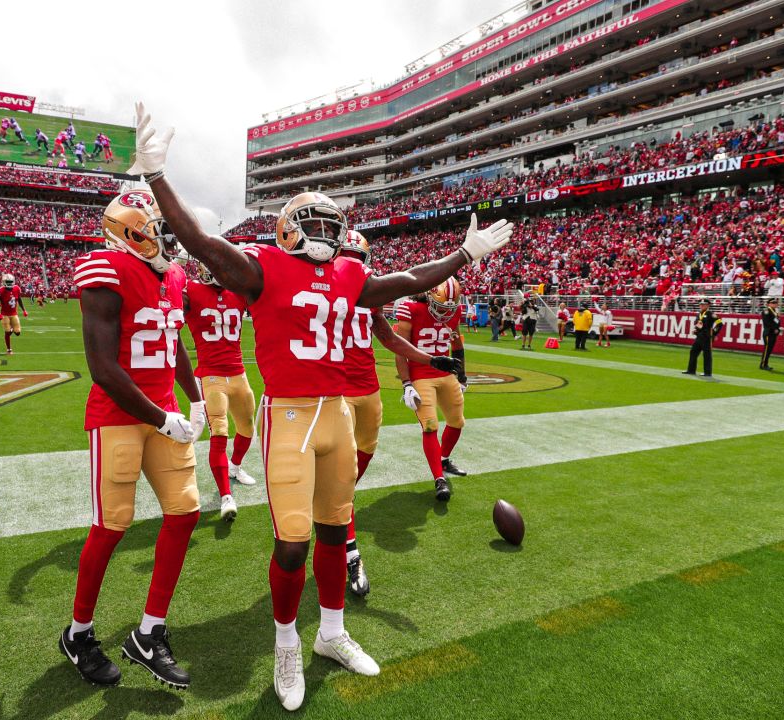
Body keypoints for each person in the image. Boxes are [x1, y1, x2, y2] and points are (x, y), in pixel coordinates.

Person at [131, 101, 514, 712]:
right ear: (287, 225)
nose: (327, 232)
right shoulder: (262, 268)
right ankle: (286, 643)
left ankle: (332, 633)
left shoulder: (350, 274)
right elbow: (201, 242)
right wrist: (156, 175)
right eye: (314, 221)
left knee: (337, 532)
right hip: (289, 415)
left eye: (332, 223)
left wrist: (465, 255)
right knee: (293, 541)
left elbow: (409, 280)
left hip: (337, 411)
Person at [59, 190, 207, 690]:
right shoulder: (105, 269)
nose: (170, 239)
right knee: (112, 525)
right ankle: (78, 634)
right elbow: (103, 368)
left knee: (185, 513)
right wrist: (163, 418)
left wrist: (196, 396)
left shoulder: (175, 276)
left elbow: (173, 340)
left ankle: (149, 633)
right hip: (119, 415)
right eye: (159, 229)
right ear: (131, 232)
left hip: (162, 410)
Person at [338, 230, 460, 597]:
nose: (354, 266)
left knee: (359, 461)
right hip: (336, 391)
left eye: (358, 259)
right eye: (347, 256)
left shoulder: (369, 297)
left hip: (368, 389)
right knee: (342, 482)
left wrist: (430, 359)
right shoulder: (319, 292)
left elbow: (389, 338)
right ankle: (349, 549)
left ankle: (334, 506)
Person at [182, 259, 257, 522]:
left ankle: (235, 466)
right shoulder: (190, 290)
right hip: (211, 376)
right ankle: (226, 496)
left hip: (238, 374)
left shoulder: (238, 292)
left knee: (248, 427)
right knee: (220, 432)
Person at [395, 279, 471, 502]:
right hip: (421, 375)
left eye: (449, 308)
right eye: (440, 307)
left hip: (445, 374)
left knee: (457, 421)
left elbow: (456, 345)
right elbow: (400, 350)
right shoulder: (411, 309)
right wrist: (407, 383)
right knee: (430, 426)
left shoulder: (454, 312)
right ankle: (439, 479)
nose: (444, 313)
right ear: (428, 296)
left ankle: (444, 460)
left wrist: (462, 375)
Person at [683, 298, 723, 377]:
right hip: (699, 337)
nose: (701, 306)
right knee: (693, 352)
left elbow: (720, 324)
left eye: (703, 304)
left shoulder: (711, 314)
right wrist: (696, 330)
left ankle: (707, 373)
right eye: (700, 304)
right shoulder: (699, 314)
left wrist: (714, 334)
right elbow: (698, 324)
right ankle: (691, 370)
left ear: (708, 305)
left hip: (707, 338)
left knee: (707, 355)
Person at [0, 274, 27, 355]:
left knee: (18, 333)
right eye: (7, 282)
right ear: (4, 282)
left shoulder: (17, 288)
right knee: (7, 332)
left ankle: (11, 329)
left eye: (10, 282)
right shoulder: (0, 290)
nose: (9, 283)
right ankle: (9, 349)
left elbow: (19, 299)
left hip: (14, 313)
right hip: (4, 314)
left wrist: (24, 310)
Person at [760, 297, 780, 371]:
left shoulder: (775, 311)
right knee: (767, 349)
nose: (775, 304)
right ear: (769, 304)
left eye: (776, 302)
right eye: (773, 303)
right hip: (768, 332)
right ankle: (763, 364)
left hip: (773, 333)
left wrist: (778, 329)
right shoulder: (766, 311)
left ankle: (765, 364)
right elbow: (767, 322)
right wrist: (774, 329)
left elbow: (777, 322)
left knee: (770, 349)